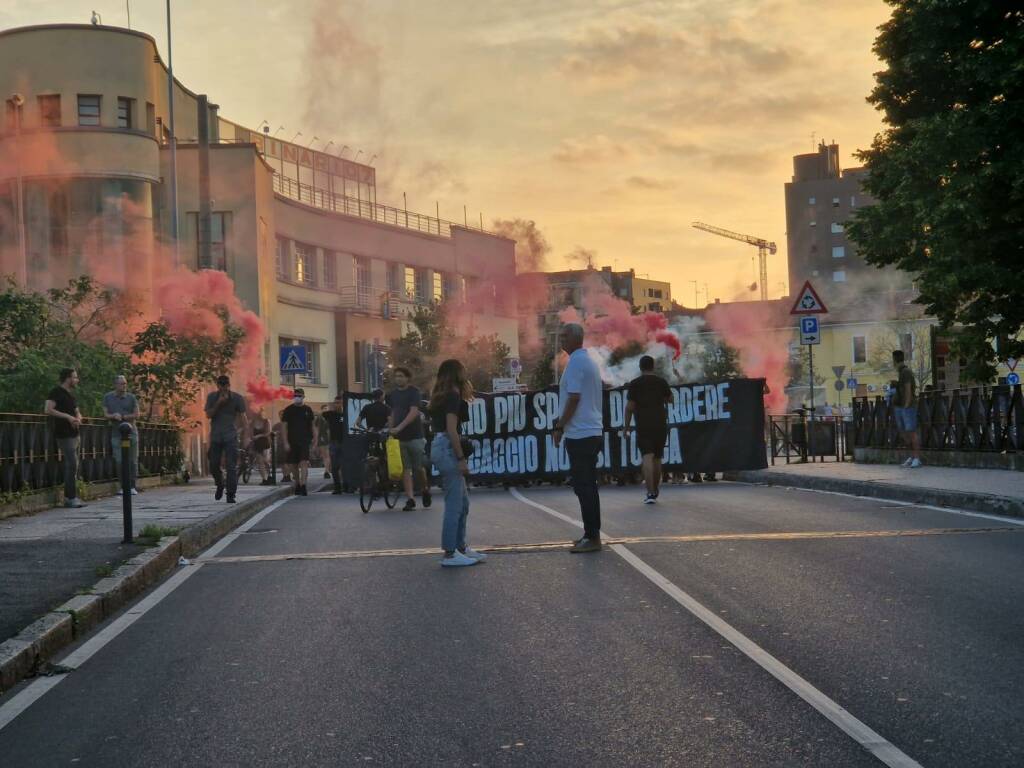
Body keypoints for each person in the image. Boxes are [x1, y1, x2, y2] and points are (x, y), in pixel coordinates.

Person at [553, 323, 604, 553]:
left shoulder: (575, 363)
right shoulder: (588, 360)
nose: (561, 340)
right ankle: (591, 534)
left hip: (581, 434)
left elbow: (573, 398)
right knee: (587, 486)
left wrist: (559, 426)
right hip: (590, 431)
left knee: (583, 486)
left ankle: (592, 537)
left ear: (575, 339)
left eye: (564, 336)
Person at [428, 359, 484, 567]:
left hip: (441, 446)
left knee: (463, 503)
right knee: (455, 504)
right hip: (447, 448)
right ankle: (450, 554)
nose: (466, 372)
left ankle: (460, 548)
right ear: (456, 373)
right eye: (463, 370)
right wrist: (461, 459)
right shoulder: (452, 395)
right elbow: (452, 430)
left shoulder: (442, 394)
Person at [624, 355, 672, 504]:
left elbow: (630, 407)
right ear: (653, 366)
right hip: (660, 424)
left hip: (643, 425)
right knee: (657, 458)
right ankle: (656, 490)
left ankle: (650, 492)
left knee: (647, 457)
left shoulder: (635, 384)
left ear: (640, 367)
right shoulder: (661, 382)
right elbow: (670, 399)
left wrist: (626, 427)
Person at [387, 367, 431, 511]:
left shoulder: (414, 392)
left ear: (407, 378)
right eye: (396, 376)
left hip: (415, 436)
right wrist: (391, 428)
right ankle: (410, 499)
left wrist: (399, 427)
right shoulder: (393, 394)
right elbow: (393, 412)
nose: (398, 378)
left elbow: (414, 412)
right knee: (405, 469)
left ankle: (425, 489)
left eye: (401, 376)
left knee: (418, 468)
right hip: (399, 438)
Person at [45, 368, 86, 508]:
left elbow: (77, 411)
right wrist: (68, 417)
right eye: (75, 377)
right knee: (71, 464)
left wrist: (78, 418)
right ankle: (69, 498)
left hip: (75, 433)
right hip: (63, 434)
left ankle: (72, 496)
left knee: (74, 466)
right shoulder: (56, 392)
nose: (77, 380)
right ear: (68, 378)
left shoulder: (70, 395)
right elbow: (48, 409)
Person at [204, 375, 248, 503]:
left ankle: (231, 494)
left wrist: (246, 436)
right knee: (213, 464)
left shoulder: (237, 398)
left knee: (231, 466)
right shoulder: (212, 397)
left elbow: (243, 417)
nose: (223, 387)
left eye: (226, 384)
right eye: (221, 384)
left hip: (230, 436)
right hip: (216, 436)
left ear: (229, 385)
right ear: (218, 386)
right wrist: (219, 403)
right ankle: (220, 484)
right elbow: (208, 414)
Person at [103, 374, 141, 495]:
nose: (124, 386)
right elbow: (105, 414)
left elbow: (137, 414)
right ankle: (123, 486)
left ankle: (132, 486)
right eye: (121, 383)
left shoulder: (131, 397)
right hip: (116, 433)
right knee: (119, 460)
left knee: (132, 460)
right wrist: (113, 416)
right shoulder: (108, 397)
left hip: (131, 433)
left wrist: (124, 417)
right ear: (115, 385)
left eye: (125, 383)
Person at [281, 387, 317, 495]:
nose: (297, 398)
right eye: (296, 396)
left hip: (305, 441)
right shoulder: (288, 410)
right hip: (292, 441)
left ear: (303, 397)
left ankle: (303, 485)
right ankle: (297, 483)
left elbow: (313, 426)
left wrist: (315, 440)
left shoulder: (308, 410)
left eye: (299, 396)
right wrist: (285, 442)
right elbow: (284, 427)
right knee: (293, 465)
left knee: (303, 462)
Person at [892, 349, 921, 467]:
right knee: (904, 433)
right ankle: (911, 456)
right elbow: (904, 387)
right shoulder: (901, 372)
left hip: (907, 406)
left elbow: (909, 389)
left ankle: (917, 458)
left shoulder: (906, 372)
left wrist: (907, 405)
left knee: (911, 432)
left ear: (894, 360)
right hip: (901, 406)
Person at [321, 394, 347, 494]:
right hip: (334, 443)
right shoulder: (330, 414)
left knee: (345, 465)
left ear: (343, 403)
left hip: (345, 443)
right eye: (335, 403)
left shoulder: (346, 414)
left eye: (339, 403)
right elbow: (319, 415)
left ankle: (347, 486)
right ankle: (337, 488)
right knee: (335, 467)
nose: (337, 405)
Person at [250, 407, 272, 485]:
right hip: (257, 444)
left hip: (265, 443)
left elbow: (268, 432)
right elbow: (251, 433)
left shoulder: (267, 421)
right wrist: (252, 438)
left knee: (266, 461)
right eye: (258, 411)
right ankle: (264, 479)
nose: (259, 413)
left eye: (261, 411)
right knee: (260, 462)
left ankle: (270, 476)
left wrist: (259, 435)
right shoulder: (253, 422)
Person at [317, 405, 332, 479]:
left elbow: (329, 430)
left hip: (327, 438)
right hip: (321, 438)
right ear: (322, 409)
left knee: (327, 455)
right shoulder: (319, 418)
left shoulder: (329, 418)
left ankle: (327, 471)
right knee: (324, 455)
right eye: (324, 408)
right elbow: (316, 429)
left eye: (327, 408)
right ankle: (327, 470)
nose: (326, 410)